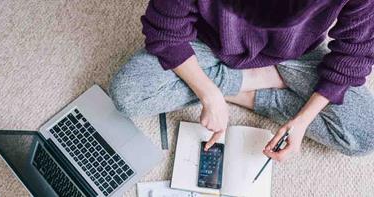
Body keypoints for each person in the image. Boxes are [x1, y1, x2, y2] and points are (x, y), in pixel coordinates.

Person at [108, 0, 374, 162]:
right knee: (127, 93)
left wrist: (302, 121)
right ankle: (258, 80)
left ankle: (253, 82)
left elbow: (355, 54)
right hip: (209, 42)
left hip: (295, 54)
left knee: (365, 134)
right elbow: (165, 31)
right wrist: (208, 94)